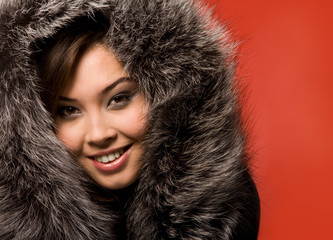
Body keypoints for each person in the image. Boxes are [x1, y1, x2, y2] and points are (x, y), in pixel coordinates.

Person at [0, 0, 260, 239]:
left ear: (163, 94)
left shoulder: (219, 208)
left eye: (118, 99)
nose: (99, 134)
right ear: (33, 126)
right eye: (69, 111)